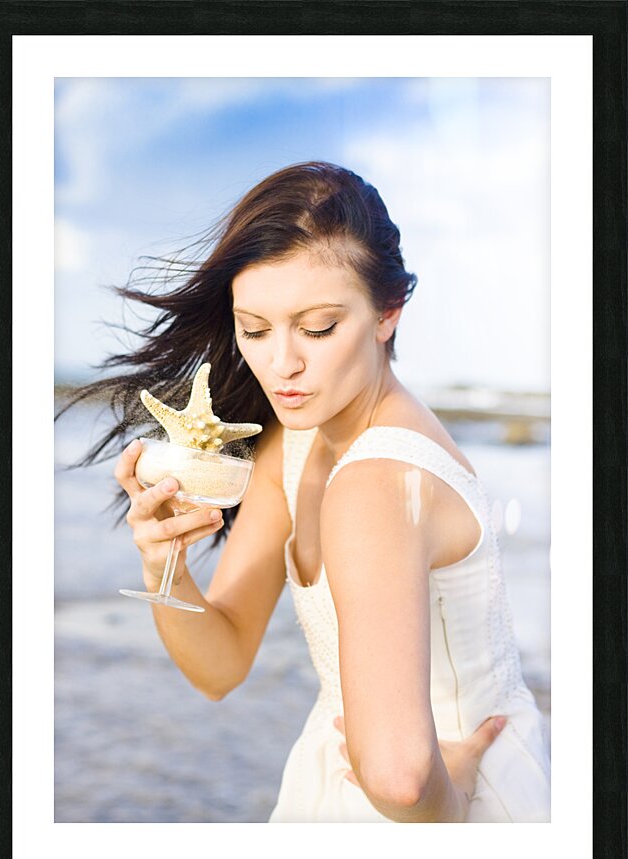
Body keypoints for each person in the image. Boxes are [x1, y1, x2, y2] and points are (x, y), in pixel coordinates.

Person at [71, 161, 551, 822]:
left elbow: (401, 781)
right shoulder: (291, 446)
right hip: (351, 783)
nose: (282, 364)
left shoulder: (377, 482)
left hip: (442, 807)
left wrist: (460, 791)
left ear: (387, 313)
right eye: (254, 329)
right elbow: (220, 666)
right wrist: (165, 565)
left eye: (318, 328)